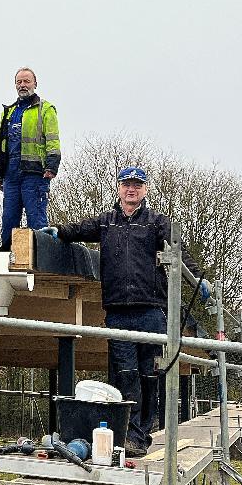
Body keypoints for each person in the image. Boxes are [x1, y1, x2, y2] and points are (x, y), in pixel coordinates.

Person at [41, 167, 210, 456]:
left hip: (150, 309)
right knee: (125, 373)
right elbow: (81, 229)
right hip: (118, 310)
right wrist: (59, 232)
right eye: (126, 185)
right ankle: (128, 435)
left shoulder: (156, 223)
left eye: (137, 185)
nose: (131, 190)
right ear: (119, 188)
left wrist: (197, 277)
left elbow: (178, 250)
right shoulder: (107, 223)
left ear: (144, 190)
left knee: (150, 373)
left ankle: (142, 432)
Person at [0, 67, 60, 251]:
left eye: (26, 81)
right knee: (9, 221)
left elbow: (53, 141)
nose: (23, 85)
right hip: (11, 175)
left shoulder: (45, 109)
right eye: (19, 82)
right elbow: (1, 146)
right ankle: (7, 260)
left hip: (35, 173)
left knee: (37, 221)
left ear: (35, 84)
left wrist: (52, 166)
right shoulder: (8, 112)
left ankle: (41, 261)